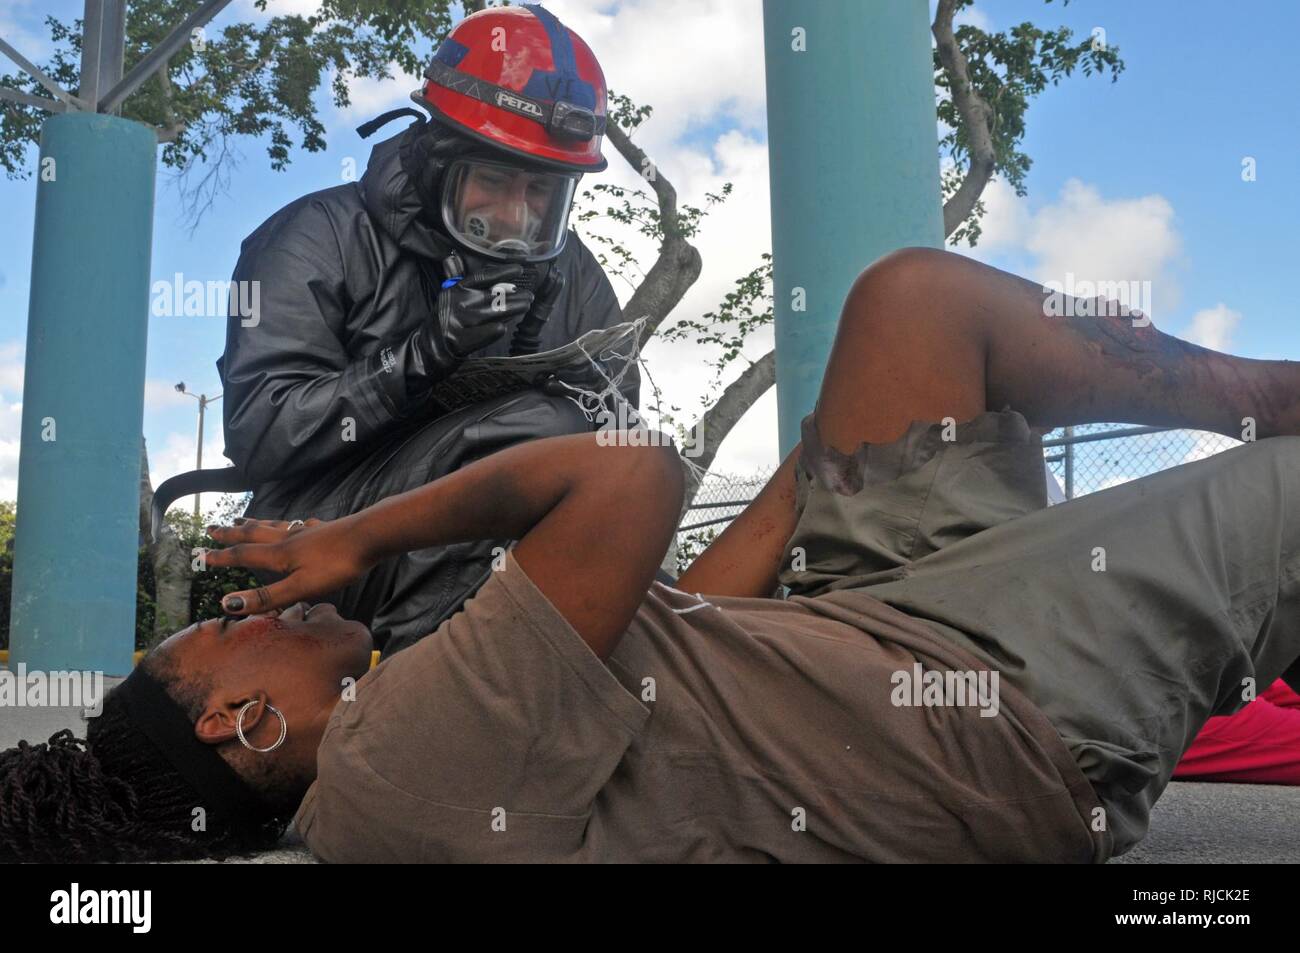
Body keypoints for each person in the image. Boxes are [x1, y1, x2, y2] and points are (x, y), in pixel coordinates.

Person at [9, 246, 1300, 863]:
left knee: (910, 303)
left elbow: (687, 617)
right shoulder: (395, 762)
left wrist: (819, 469)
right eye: (226, 628)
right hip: (990, 717)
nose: (257, 604)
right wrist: (355, 532)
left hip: (870, 637)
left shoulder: (424, 732)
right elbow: (628, 475)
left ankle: (1259, 385)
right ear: (242, 722)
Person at [211, 4, 637, 658]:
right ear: (437, 154)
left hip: (494, 527)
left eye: (542, 192)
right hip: (313, 535)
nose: (515, 215)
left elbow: (616, 440)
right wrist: (419, 359)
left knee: (623, 485)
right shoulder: (312, 237)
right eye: (493, 181)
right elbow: (258, 435)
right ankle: (413, 695)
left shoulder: (573, 273)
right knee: (540, 438)